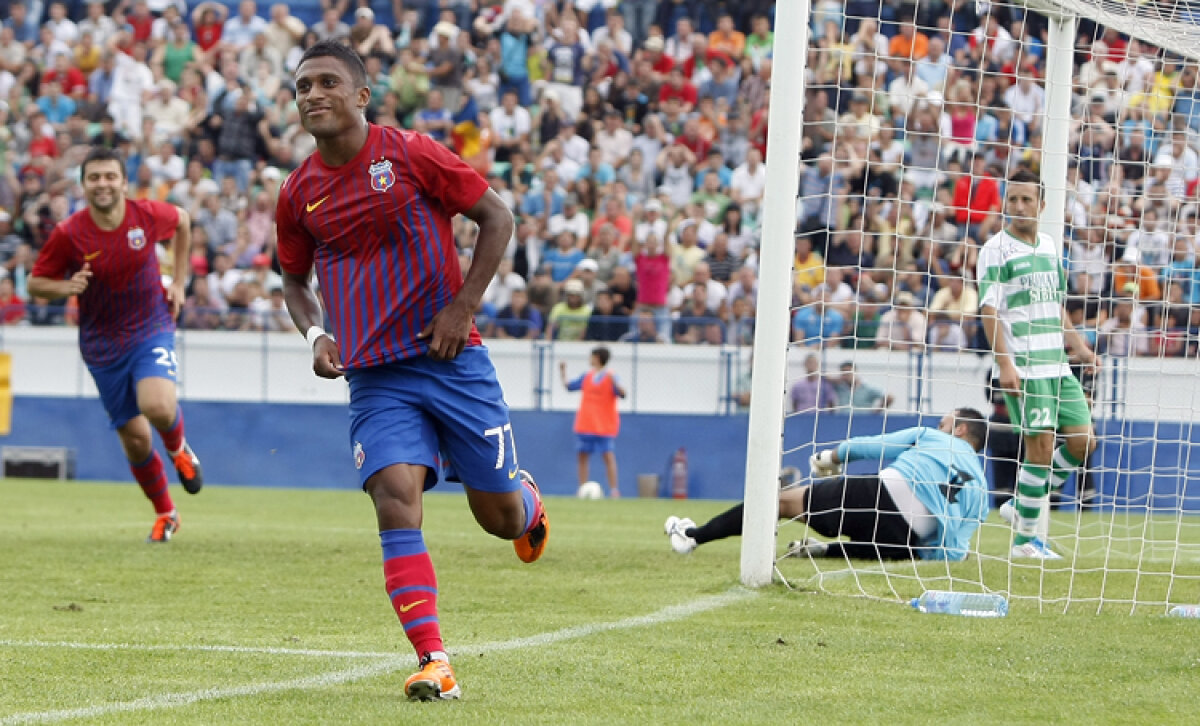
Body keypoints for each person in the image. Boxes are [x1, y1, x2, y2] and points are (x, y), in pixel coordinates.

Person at [274, 40, 548, 702]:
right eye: (303, 85)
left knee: (501, 521)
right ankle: (435, 660)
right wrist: (316, 334)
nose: (312, 94)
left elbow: (496, 217)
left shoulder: (412, 154)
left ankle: (527, 500)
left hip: (451, 360)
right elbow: (292, 278)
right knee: (394, 494)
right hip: (375, 377)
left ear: (361, 96)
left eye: (327, 83)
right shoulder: (298, 193)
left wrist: (463, 306)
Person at [28, 147, 204, 543]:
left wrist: (178, 281)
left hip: (150, 325)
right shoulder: (69, 234)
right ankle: (166, 514)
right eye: (95, 177)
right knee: (136, 439)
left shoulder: (145, 215)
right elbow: (35, 284)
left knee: (157, 405)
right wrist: (65, 287)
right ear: (84, 184)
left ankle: (179, 451)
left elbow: (183, 222)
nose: (103, 184)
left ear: (124, 183)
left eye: (110, 177)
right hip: (101, 344)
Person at [664, 409, 990, 562]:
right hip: (905, 538)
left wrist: (832, 456)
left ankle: (692, 536)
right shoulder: (980, 490)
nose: (938, 426)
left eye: (944, 423)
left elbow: (876, 446)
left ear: (959, 430)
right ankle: (823, 551)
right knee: (884, 548)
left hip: (878, 494)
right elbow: (956, 550)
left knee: (779, 503)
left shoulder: (933, 438)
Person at [977, 168, 1099, 560]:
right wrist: (1005, 365)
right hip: (1025, 367)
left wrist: (1078, 345)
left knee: (1083, 442)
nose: (1019, 205)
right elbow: (989, 311)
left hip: (1058, 366)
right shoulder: (996, 249)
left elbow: (1055, 305)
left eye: (1026, 199)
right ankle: (1024, 542)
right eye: (1012, 199)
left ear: (1041, 205)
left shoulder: (1048, 246)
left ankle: (1023, 504)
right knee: (1040, 448)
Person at [560, 347, 627, 498]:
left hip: (603, 425)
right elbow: (569, 386)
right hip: (586, 423)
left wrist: (615, 385)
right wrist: (563, 372)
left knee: (608, 456)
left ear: (597, 357)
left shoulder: (611, 376)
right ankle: (582, 488)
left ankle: (614, 490)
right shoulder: (587, 376)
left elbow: (623, 393)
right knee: (582, 456)